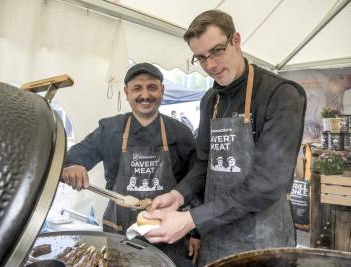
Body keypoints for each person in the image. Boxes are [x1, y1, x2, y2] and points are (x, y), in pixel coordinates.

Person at [143, 10, 307, 266]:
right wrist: (178, 195)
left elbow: (267, 183)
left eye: (217, 51)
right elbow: (203, 163)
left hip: (263, 239)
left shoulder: (281, 95)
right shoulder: (211, 99)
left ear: (237, 40)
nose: (211, 66)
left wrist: (191, 220)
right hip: (217, 235)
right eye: (201, 58)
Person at [62, 63, 198, 266]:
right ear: (126, 92)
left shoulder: (180, 132)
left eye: (152, 87)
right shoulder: (110, 129)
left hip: (169, 232)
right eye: (137, 88)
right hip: (120, 231)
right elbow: (78, 154)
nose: (145, 95)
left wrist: (196, 232)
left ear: (162, 90)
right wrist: (73, 164)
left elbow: (196, 181)